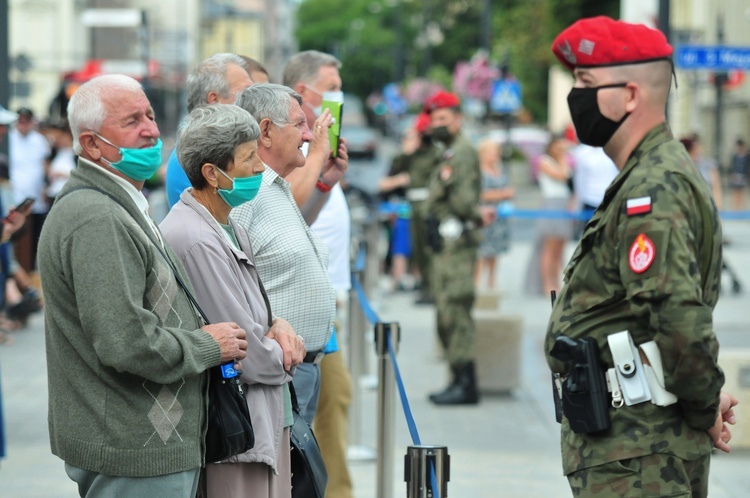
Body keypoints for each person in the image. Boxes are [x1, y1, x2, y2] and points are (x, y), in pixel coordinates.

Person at [547, 16, 738, 496]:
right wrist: (706, 403)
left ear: (630, 95)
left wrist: (703, 407)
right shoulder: (643, 176)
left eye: (586, 83)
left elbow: (677, 320)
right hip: (632, 446)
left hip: (639, 452)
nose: (576, 97)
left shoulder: (653, 188)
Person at [37, 74, 249, 497]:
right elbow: (125, 341)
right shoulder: (97, 217)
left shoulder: (118, 203)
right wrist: (208, 346)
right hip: (133, 448)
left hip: (143, 444)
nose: (151, 129)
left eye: (150, 115)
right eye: (132, 121)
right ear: (93, 145)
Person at [160, 104, 305, 497]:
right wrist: (286, 355)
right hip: (239, 429)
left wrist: (280, 326)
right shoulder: (194, 238)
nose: (260, 167)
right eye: (248, 157)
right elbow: (243, 348)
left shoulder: (230, 223)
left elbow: (259, 314)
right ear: (212, 173)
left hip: (263, 416)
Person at [283, 51, 356, 498]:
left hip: (323, 312)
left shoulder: (314, 149)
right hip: (301, 321)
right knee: (326, 413)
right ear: (306, 92)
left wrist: (326, 179)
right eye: (331, 85)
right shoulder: (300, 152)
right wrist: (318, 159)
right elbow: (283, 214)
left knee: (334, 406)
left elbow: (302, 217)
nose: (337, 94)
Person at [422, 90, 484, 406]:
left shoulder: (462, 152)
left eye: (444, 119)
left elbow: (462, 200)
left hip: (457, 243)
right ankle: (457, 377)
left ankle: (465, 382)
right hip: (445, 243)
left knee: (455, 310)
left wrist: (473, 215)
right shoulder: (448, 151)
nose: (437, 124)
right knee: (446, 311)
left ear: (458, 120)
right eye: (434, 119)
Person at [165, 53, 253, 208]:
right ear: (214, 100)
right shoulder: (196, 153)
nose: (253, 102)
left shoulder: (195, 148)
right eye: (246, 94)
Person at [9, 107, 50, 273]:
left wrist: (45, 187)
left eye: (26, 120)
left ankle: (30, 269)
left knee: (34, 236)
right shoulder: (10, 139)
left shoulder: (39, 140)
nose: (23, 124)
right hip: (14, 197)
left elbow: (44, 165)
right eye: (21, 120)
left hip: (35, 198)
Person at [536, 135, 574, 295]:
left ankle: (557, 282)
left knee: (560, 248)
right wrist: (563, 157)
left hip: (564, 204)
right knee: (549, 248)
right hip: (552, 204)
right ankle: (547, 284)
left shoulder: (563, 161)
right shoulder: (544, 161)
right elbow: (562, 175)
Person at [474, 139, 514, 291]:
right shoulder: (478, 171)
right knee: (481, 251)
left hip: (500, 216)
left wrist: (506, 194)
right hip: (484, 216)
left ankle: (491, 283)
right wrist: (502, 194)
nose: (495, 155)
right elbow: (479, 194)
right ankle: (476, 284)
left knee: (495, 252)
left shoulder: (500, 168)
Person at [681, 135, 722, 210]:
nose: (698, 151)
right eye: (694, 149)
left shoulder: (709, 164)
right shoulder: (683, 167)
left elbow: (715, 186)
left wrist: (718, 205)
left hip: (707, 206)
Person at [728, 138, 749, 211]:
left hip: (743, 176)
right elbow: (732, 166)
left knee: (741, 192)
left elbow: (747, 167)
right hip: (736, 176)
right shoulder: (735, 156)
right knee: (735, 192)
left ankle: (740, 208)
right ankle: (735, 208)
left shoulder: (746, 157)